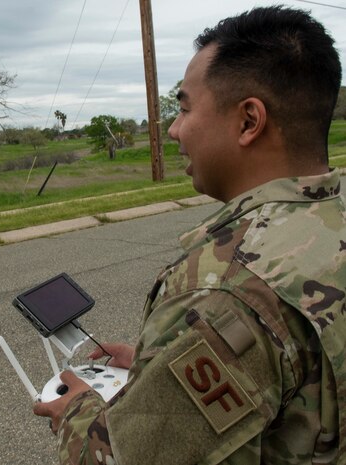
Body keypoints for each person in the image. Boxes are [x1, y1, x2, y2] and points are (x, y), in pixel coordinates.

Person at [33, 6, 345, 464]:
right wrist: (158, 358)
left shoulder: (225, 290)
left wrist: (77, 411)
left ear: (248, 121)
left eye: (183, 108)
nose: (175, 130)